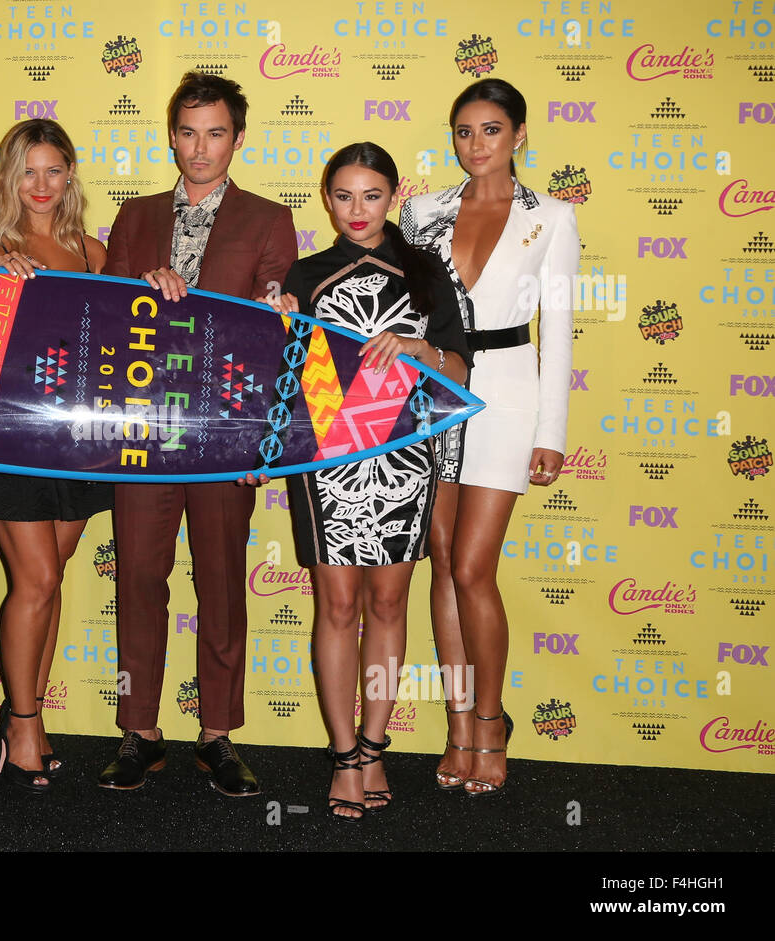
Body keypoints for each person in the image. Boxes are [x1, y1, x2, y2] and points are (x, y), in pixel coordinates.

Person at [96, 71, 297, 797]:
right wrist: (136, 291)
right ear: (171, 135)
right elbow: (106, 323)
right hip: (142, 431)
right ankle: (138, 732)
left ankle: (219, 734)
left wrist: (264, 442)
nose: (200, 147)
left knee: (220, 583)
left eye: (215, 132)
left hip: (225, 434)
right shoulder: (135, 214)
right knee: (140, 581)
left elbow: (277, 336)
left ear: (238, 139)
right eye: (187, 131)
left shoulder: (270, 220)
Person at [266, 143, 469, 819]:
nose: (358, 211)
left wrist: (419, 349)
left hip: (406, 457)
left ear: (393, 196)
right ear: (326, 198)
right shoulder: (306, 271)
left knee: (388, 607)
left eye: (373, 196)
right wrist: (279, 325)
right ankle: (344, 752)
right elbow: (286, 373)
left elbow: (462, 373)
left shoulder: (426, 268)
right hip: (326, 459)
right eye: (344, 196)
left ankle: (375, 747)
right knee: (338, 608)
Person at [401, 78, 578, 797]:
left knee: (474, 567)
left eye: (491, 130)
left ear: (520, 135)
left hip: (507, 395)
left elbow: (558, 330)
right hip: (430, 396)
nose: (476, 145)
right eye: (464, 131)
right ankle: (456, 727)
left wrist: (553, 431)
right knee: (441, 562)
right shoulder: (421, 211)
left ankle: (491, 720)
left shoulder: (554, 217)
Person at [0, 118, 110, 792]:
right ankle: (23, 720)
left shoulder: (94, 252)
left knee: (52, 577)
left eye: (53, 170)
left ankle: (27, 717)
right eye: (27, 171)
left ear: (69, 175)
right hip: (5, 436)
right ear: (8, 178)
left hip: (76, 440)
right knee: (35, 579)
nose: (41, 184)